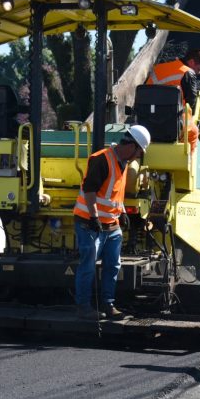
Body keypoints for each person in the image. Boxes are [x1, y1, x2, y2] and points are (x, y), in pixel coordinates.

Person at [73, 125, 151, 319]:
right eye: (139, 152)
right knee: (88, 265)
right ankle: (84, 307)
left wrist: (122, 210)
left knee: (112, 265)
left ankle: (108, 305)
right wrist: (94, 217)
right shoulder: (102, 159)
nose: (137, 157)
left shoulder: (123, 162)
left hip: (111, 223)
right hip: (89, 223)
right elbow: (90, 190)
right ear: (131, 146)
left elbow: (115, 192)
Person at [145, 48, 200, 151]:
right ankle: (186, 159)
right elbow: (191, 101)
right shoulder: (188, 73)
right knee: (194, 132)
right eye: (199, 69)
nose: (199, 73)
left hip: (149, 118)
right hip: (172, 121)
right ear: (191, 62)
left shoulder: (158, 68)